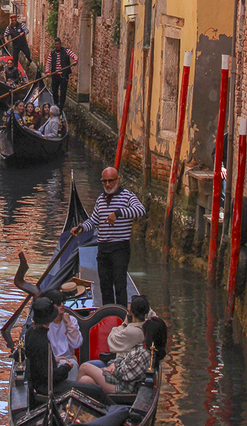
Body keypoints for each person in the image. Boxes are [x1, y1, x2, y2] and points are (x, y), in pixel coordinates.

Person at [70, 167, 146, 306]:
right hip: (103, 249)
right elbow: (93, 221)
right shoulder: (100, 199)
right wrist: (81, 228)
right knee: (105, 286)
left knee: (120, 286)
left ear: (118, 179)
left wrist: (117, 213)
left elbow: (141, 210)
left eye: (110, 181)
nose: (107, 184)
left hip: (120, 248)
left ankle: (122, 315)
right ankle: (108, 316)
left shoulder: (128, 196)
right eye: (104, 181)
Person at [77, 317, 168, 393]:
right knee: (85, 380)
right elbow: (124, 358)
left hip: (122, 387)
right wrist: (114, 364)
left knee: (84, 367)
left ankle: (69, 401)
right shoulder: (142, 347)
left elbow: (127, 375)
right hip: (117, 378)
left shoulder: (146, 355)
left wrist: (113, 369)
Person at [26, 297, 73, 395]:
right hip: (47, 389)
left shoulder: (31, 332)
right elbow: (49, 376)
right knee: (94, 390)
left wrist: (54, 359)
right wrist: (67, 367)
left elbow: (37, 362)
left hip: (39, 384)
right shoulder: (41, 340)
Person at [41, 289, 83, 380]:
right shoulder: (46, 324)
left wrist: (68, 323)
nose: (62, 305)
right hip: (51, 360)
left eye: (62, 302)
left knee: (71, 365)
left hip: (68, 359)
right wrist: (55, 359)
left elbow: (76, 344)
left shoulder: (72, 320)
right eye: (58, 304)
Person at [45, 37, 78, 109]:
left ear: (60, 44)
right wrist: (47, 72)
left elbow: (74, 56)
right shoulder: (52, 53)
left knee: (63, 93)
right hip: (55, 76)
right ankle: (56, 106)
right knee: (55, 92)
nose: (57, 46)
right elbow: (48, 63)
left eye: (58, 44)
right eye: (55, 44)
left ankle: (61, 108)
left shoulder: (66, 51)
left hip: (64, 76)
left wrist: (75, 60)